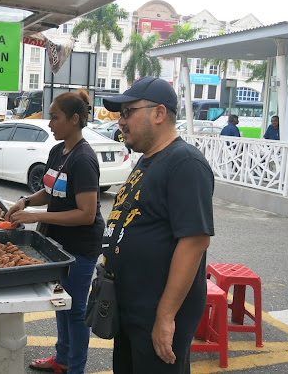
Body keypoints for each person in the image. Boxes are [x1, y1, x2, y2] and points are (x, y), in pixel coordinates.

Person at [101, 76, 214, 373]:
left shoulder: (185, 163)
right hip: (132, 306)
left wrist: (165, 316)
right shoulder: (148, 160)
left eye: (127, 112)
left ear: (159, 113)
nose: (120, 122)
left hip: (157, 310)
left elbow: (195, 242)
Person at [6, 90, 104, 374]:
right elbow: (50, 192)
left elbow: (87, 214)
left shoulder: (83, 159)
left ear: (74, 119)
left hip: (80, 247)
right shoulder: (58, 150)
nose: (50, 124)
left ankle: (76, 368)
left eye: (55, 118)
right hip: (56, 242)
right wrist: (25, 202)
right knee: (61, 302)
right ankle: (61, 359)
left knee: (75, 312)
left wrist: (34, 215)